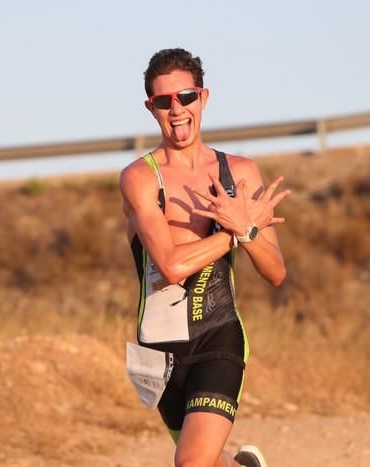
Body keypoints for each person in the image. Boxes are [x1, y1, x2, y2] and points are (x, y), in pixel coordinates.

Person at [120, 48, 290, 467]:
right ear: (151, 108)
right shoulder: (140, 178)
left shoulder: (241, 173)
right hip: (158, 350)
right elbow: (172, 267)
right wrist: (237, 232)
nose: (177, 109)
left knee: (190, 463)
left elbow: (276, 272)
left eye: (187, 97)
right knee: (206, 460)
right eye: (164, 101)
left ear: (204, 97)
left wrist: (249, 230)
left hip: (219, 336)